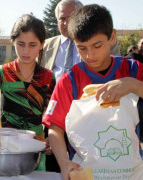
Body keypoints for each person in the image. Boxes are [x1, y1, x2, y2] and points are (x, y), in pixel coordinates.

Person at [42, 4, 143, 180]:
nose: (90, 55)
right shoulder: (69, 81)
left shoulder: (134, 70)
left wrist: (134, 85)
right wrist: (64, 162)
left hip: (132, 171)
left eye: (97, 45)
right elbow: (55, 128)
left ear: (112, 37)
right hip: (85, 171)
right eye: (82, 48)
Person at [0, 14, 55, 171]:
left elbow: (52, 113)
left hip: (35, 148)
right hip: (4, 147)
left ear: (42, 44)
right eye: (20, 44)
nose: (25, 51)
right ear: (13, 42)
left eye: (32, 45)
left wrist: (52, 137)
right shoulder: (3, 73)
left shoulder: (48, 77)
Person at [38, 0, 120, 82]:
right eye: (62, 19)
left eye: (71, 18)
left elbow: (116, 73)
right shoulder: (45, 45)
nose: (66, 23)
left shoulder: (105, 41)